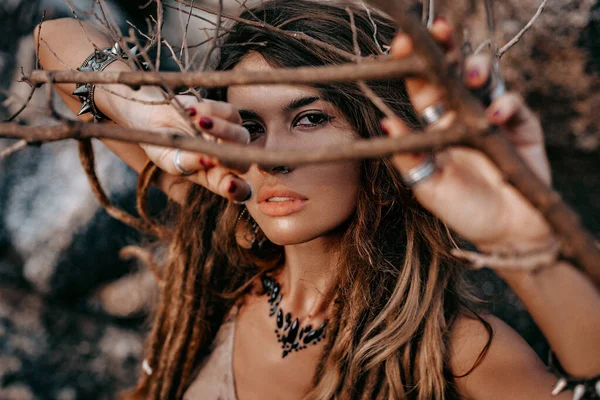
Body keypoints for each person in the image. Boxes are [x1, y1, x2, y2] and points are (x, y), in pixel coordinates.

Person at [35, 1, 599, 399]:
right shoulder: (218, 240)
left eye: (309, 118)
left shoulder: (451, 348)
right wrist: (145, 112)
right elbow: (52, 37)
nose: (270, 156)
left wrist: (527, 244)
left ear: (377, 136)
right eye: (248, 125)